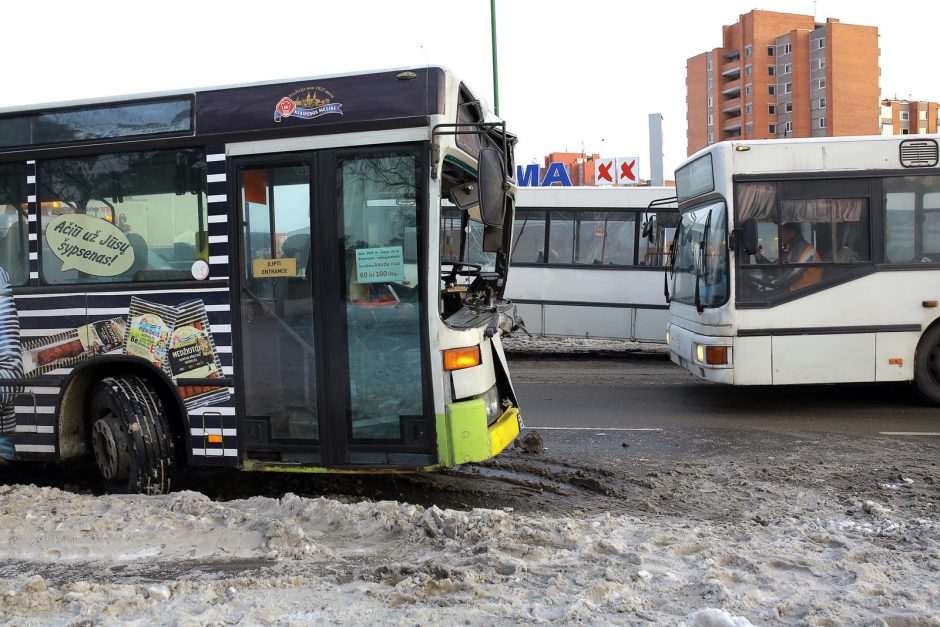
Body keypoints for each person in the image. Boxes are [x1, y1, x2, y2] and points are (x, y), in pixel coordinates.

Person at [754, 222, 822, 292]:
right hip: (795, 291)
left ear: (792, 233)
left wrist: (776, 282)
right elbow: (775, 269)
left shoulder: (801, 248)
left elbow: (792, 275)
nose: (781, 236)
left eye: (783, 233)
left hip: (807, 293)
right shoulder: (789, 248)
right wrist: (759, 258)